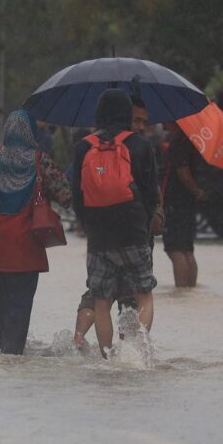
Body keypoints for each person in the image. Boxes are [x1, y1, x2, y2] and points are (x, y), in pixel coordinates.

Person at [0, 110, 70, 355]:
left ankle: (4, 364)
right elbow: (67, 195)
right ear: (31, 132)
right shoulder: (39, 160)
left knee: (2, 312)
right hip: (26, 250)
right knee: (20, 311)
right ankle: (14, 368)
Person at [70, 89, 160, 358]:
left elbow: (77, 196)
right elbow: (151, 193)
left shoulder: (83, 147)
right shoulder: (142, 146)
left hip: (99, 236)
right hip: (134, 231)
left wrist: (89, 224)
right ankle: (136, 351)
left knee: (101, 301)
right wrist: (141, 224)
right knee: (144, 294)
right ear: (127, 114)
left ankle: (107, 357)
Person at [163, 124, 207, 287]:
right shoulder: (193, 141)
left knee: (175, 250)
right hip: (187, 202)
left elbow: (183, 173)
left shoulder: (179, 143)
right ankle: (189, 292)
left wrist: (196, 191)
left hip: (176, 201)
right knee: (187, 249)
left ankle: (181, 291)